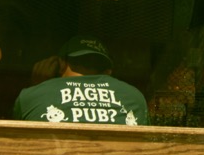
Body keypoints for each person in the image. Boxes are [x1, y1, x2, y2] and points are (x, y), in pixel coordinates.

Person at [13, 36, 149, 126]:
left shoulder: (31, 96)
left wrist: (39, 86)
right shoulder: (135, 97)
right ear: (108, 71)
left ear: (59, 64)